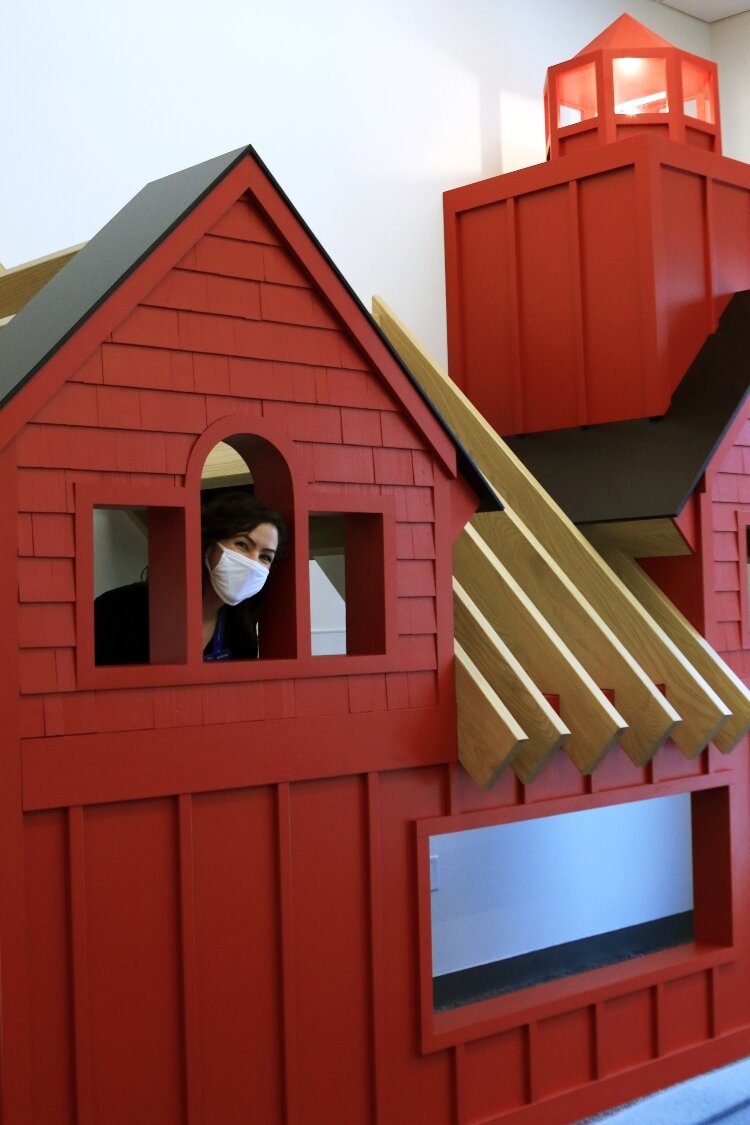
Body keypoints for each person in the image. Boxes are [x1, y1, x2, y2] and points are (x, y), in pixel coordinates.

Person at [94, 490, 287, 665]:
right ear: (208, 544)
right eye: (243, 545)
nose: (252, 563)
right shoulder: (117, 609)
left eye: (265, 557)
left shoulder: (240, 629)